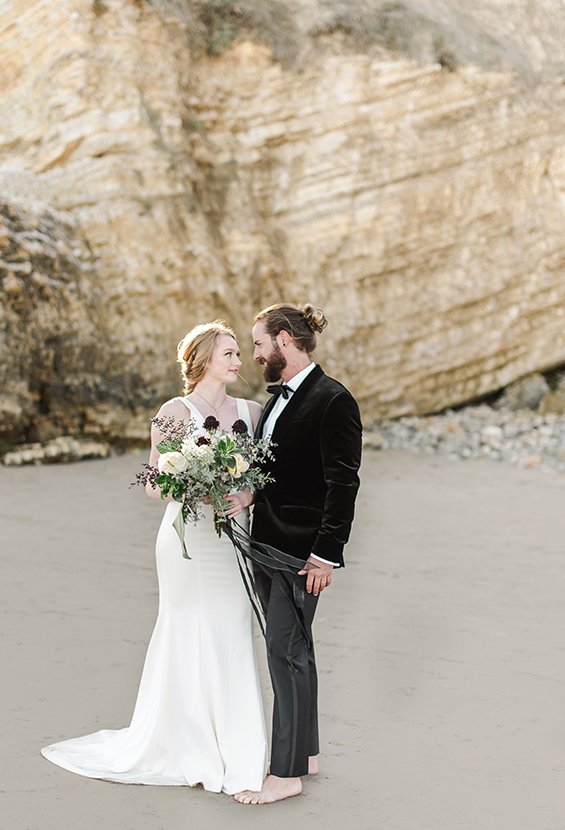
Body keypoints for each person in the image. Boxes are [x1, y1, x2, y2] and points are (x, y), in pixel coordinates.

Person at [41, 322, 268, 795]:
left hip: (233, 539)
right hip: (186, 540)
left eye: (238, 353)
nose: (238, 361)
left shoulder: (253, 410)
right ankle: (188, 743)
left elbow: (270, 475)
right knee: (185, 629)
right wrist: (190, 485)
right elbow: (152, 482)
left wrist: (244, 491)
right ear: (205, 358)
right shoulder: (173, 411)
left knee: (231, 629)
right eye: (228, 353)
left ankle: (239, 750)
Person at [234, 303, 363, 805]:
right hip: (266, 541)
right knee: (297, 649)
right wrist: (243, 496)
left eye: (260, 343)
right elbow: (280, 473)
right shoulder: (279, 400)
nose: (256, 353)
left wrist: (325, 556)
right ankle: (306, 754)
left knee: (283, 652)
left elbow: (343, 482)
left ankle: (285, 774)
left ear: (285, 339)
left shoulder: (333, 401)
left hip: (300, 552)